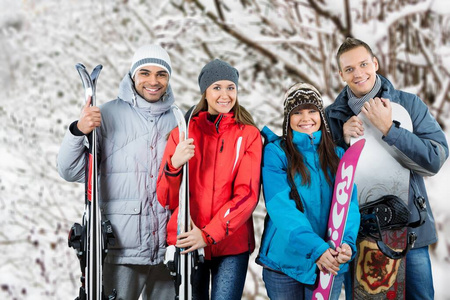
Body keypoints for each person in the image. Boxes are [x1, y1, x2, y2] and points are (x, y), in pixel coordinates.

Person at [325, 37, 449, 299]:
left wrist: (389, 130)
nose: (358, 73)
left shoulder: (409, 104)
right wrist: (340, 140)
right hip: (357, 232)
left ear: (375, 63)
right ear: (341, 74)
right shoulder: (331, 117)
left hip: (410, 227)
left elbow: (435, 159)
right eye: (349, 69)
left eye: (363, 64)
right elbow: (320, 174)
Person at [57, 44, 177, 299]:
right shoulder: (108, 114)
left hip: (168, 249)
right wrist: (78, 130)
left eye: (161, 74)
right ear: (133, 75)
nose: (153, 81)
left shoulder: (178, 119)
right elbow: (71, 170)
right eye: (145, 73)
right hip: (122, 247)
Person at [156, 59, 262, 300]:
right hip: (188, 241)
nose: (225, 95)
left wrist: (207, 234)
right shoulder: (182, 133)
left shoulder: (249, 135)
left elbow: (247, 195)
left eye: (230, 88)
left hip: (231, 245)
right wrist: (174, 164)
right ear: (205, 91)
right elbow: (165, 198)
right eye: (217, 87)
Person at [256, 83, 360, 300]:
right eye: (297, 112)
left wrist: (347, 243)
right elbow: (281, 208)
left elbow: (349, 204)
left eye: (312, 111)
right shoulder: (277, 153)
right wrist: (316, 249)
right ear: (288, 117)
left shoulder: (338, 155)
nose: (306, 118)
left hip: (329, 262)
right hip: (285, 263)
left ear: (321, 115)